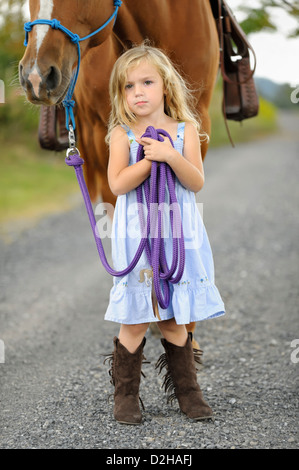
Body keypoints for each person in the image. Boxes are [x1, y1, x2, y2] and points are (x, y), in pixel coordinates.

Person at [104, 43, 225, 424]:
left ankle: (188, 392)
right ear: (120, 94)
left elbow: (196, 181)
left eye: (146, 82)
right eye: (127, 86)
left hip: (176, 236)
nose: (137, 92)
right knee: (136, 319)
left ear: (166, 87)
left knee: (175, 316)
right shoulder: (122, 136)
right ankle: (125, 396)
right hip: (138, 237)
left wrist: (170, 156)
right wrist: (145, 162)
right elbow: (118, 184)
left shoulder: (185, 131)